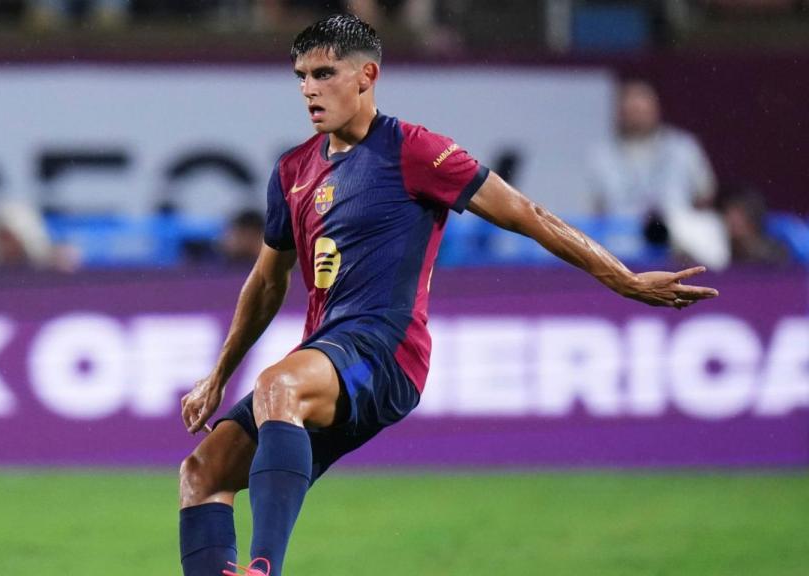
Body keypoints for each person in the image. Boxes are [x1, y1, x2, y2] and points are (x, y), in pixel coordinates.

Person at [177, 14, 718, 576]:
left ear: (367, 76)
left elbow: (526, 214)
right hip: (330, 354)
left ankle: (265, 569)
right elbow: (267, 281)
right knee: (203, 473)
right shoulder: (293, 170)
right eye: (300, 76)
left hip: (385, 353)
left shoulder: (413, 150)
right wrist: (218, 373)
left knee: (276, 385)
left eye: (323, 73)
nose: (309, 89)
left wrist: (622, 277)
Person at [587, 78, 727, 268]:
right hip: (622, 249)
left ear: (656, 110)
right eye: (631, 111)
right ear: (620, 114)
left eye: (642, 110)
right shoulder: (601, 154)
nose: (637, 116)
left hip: (677, 246)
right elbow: (596, 209)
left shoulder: (683, 147)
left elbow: (705, 195)